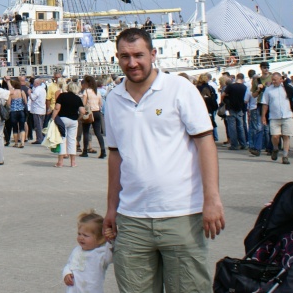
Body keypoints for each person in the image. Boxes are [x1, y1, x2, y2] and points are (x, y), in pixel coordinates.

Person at [103, 28, 224, 292]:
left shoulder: (179, 89)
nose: (132, 63)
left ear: (153, 54)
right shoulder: (113, 99)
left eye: (138, 55)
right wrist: (111, 208)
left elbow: (205, 142)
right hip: (132, 217)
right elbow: (115, 156)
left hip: (181, 214)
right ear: (118, 58)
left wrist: (212, 198)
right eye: (125, 56)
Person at [62, 210, 113, 293]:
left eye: (85, 235)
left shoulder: (101, 254)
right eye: (79, 234)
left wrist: (110, 239)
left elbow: (112, 255)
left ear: (99, 238)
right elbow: (70, 264)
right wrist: (67, 273)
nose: (81, 237)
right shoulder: (76, 251)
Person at [261, 71, 293, 164]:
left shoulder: (287, 89)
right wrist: (263, 116)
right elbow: (265, 103)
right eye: (272, 80)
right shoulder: (268, 90)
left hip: (287, 116)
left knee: (286, 136)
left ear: (281, 79)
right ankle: (275, 148)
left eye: (275, 80)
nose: (274, 81)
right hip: (274, 116)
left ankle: (285, 156)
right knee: (275, 136)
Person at [52, 81, 86, 168]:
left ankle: (60, 162)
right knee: (72, 140)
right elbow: (82, 111)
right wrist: (78, 117)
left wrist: (53, 118)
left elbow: (57, 108)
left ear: (68, 88)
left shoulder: (62, 96)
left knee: (62, 139)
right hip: (73, 120)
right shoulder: (78, 98)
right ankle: (73, 162)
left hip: (63, 119)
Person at [79, 76, 105, 158]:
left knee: (86, 132)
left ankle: (85, 151)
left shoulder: (86, 91)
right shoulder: (97, 92)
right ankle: (103, 150)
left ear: (86, 83)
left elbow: (83, 103)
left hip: (89, 113)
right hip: (97, 112)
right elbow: (101, 103)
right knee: (98, 133)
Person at [222, 74, 248, 150]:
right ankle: (243, 143)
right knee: (240, 126)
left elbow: (223, 95)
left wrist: (223, 101)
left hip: (231, 108)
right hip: (240, 108)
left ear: (236, 78)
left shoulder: (231, 86)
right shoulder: (244, 87)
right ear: (242, 79)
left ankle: (234, 144)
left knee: (232, 127)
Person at [7, 78, 28, 148]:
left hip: (13, 111)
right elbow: (25, 101)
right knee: (22, 127)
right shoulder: (22, 92)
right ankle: (22, 142)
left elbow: (8, 103)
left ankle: (16, 143)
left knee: (15, 127)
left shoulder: (11, 93)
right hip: (21, 111)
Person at [30, 77, 47, 144]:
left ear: (37, 83)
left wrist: (29, 93)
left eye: (34, 83)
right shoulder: (43, 89)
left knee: (38, 125)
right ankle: (40, 137)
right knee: (41, 125)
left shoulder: (37, 89)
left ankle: (40, 138)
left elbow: (33, 98)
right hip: (42, 108)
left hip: (37, 109)